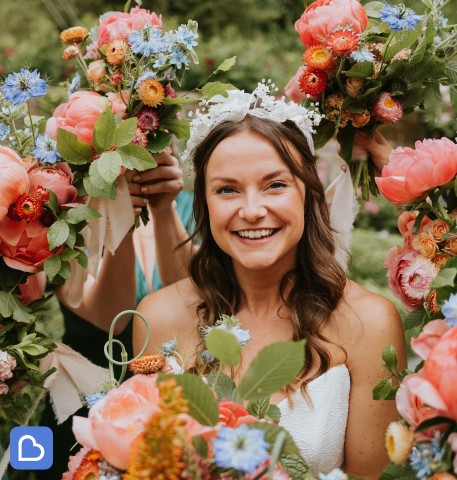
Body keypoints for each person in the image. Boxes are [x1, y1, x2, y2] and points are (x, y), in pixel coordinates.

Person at [132, 84, 407, 478]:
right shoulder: (158, 316)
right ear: (205, 204)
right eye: (227, 190)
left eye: (275, 184)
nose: (252, 210)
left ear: (308, 194)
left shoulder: (370, 323)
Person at [37, 150, 194, 479]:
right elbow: (111, 318)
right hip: (82, 402)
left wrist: (163, 209)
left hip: (174, 402)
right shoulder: (68, 213)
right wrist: (117, 216)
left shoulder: (191, 207)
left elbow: (195, 304)